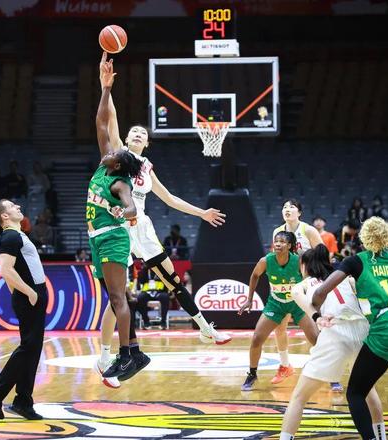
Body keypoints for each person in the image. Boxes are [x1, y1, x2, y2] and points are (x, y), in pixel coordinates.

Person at [93, 52, 229, 389]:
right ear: (127, 140)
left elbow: (170, 199)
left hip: (142, 227)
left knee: (174, 282)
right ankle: (106, 355)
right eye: (134, 132)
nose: (138, 134)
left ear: (148, 142)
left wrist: (202, 212)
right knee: (116, 296)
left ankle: (205, 328)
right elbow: (109, 120)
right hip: (119, 228)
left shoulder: (146, 168)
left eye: (143, 133)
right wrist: (107, 88)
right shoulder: (118, 156)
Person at [312, 217, 388, 440]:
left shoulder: (356, 261)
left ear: (363, 238)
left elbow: (320, 293)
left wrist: (316, 310)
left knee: (355, 393)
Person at [279, 244, 385, 440]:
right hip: (363, 332)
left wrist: (317, 318)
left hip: (335, 332)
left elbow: (308, 306)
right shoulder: (345, 278)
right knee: (368, 391)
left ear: (304, 266)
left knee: (299, 398)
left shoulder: (301, 286)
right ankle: (381, 438)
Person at [88, 54, 148, 382]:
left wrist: (122, 211)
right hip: (97, 239)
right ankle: (135, 352)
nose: (109, 151)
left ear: (120, 164)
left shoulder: (120, 182)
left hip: (113, 238)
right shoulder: (104, 165)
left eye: (114, 153)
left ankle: (125, 356)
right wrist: (106, 89)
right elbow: (101, 123)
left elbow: (132, 209)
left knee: (117, 298)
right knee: (116, 298)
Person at [0, 200, 48, 421]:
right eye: (12, 206)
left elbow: (12, 272)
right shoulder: (10, 236)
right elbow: (5, 270)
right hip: (30, 297)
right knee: (28, 347)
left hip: (32, 296)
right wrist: (28, 293)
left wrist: (26, 293)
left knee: (33, 350)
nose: (18, 206)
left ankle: (23, 402)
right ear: (5, 216)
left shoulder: (18, 234)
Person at [238, 231, 318, 391]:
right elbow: (254, 276)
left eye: (282, 242)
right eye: (276, 241)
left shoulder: (299, 261)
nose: (278, 244)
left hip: (298, 303)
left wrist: (313, 302)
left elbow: (310, 281)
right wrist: (249, 299)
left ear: (289, 246)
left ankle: (331, 377)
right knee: (257, 338)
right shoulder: (265, 261)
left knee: (316, 339)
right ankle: (252, 374)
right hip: (276, 304)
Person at [269, 200, 331, 388]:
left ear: (300, 212)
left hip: (306, 282)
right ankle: (285, 365)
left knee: (314, 329)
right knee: (280, 326)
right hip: (286, 282)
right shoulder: (277, 231)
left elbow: (323, 255)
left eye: (291, 207)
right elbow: (276, 256)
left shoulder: (308, 230)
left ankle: (330, 372)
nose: (287, 210)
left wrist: (302, 254)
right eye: (284, 207)